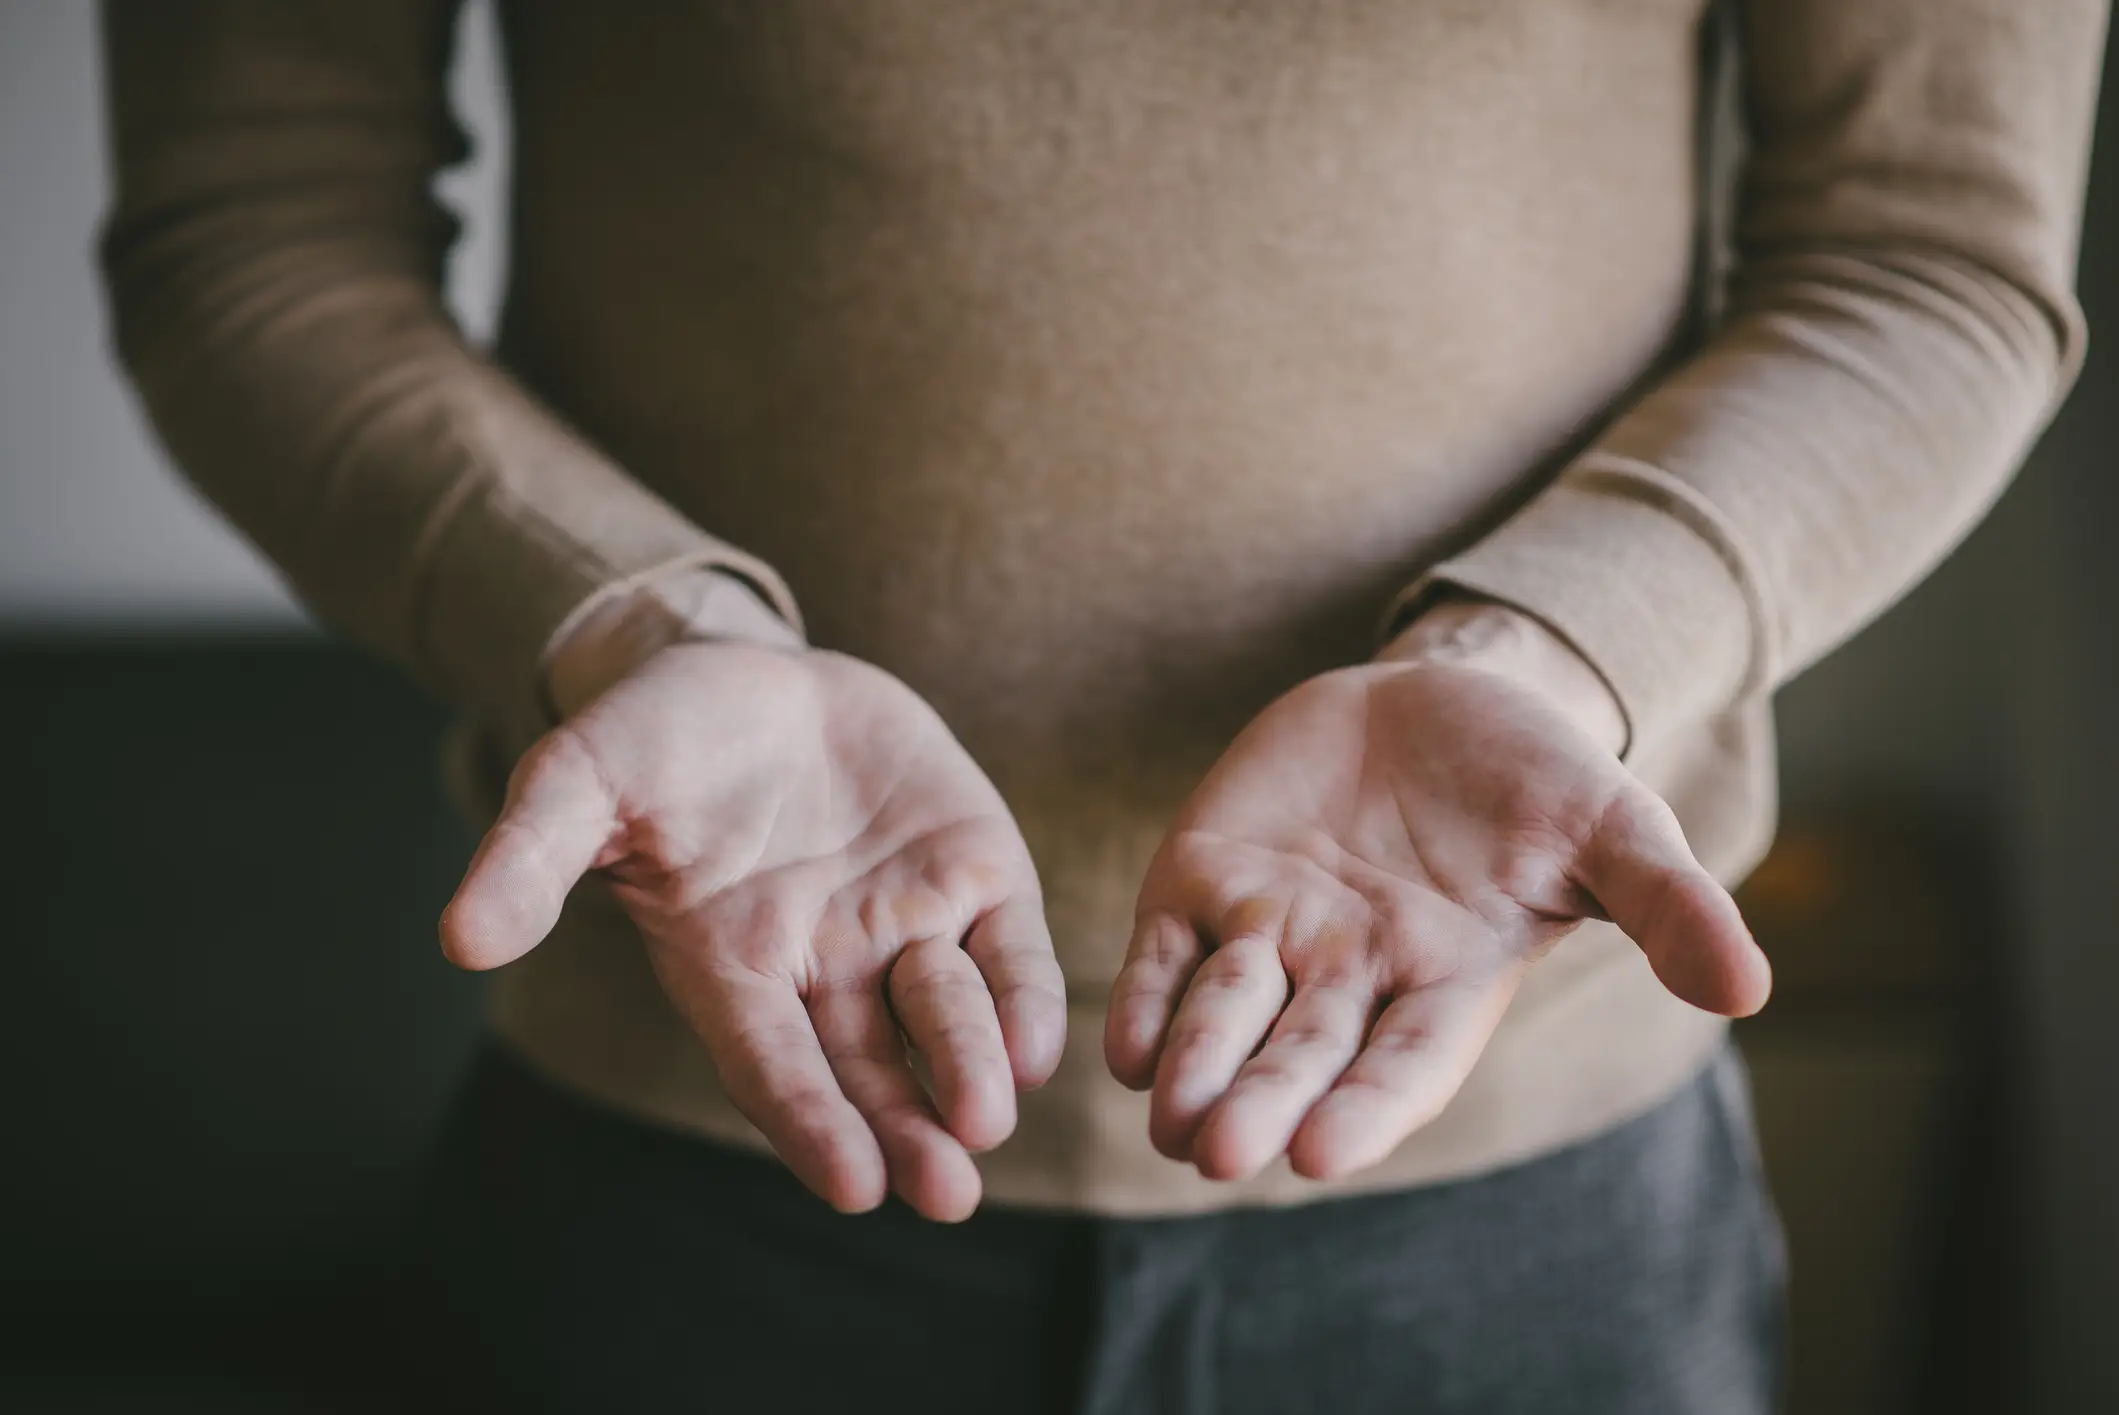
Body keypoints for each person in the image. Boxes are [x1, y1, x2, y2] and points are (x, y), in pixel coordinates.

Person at [97, 1, 2104, 1410]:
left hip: (1521, 1204)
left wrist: (1547, 646)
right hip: (698, 1150)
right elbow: (253, 224)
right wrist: (635, 625)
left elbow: (1924, 252)